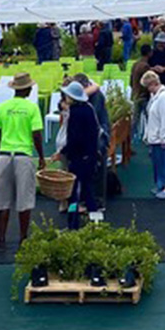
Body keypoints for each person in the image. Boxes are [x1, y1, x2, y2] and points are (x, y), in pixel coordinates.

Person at [0, 73, 45, 251]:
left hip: (5, 155)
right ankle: (23, 238)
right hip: (23, 155)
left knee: (2, 200)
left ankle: (1, 237)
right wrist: (42, 156)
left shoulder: (2, 107)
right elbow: (36, 134)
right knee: (24, 200)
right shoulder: (32, 108)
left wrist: (1, 148)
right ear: (28, 89)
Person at [59, 81, 101, 226]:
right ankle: (96, 220)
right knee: (88, 190)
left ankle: (73, 223)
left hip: (78, 158)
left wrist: (63, 151)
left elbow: (74, 138)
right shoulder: (89, 108)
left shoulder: (75, 113)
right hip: (90, 156)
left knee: (73, 194)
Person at [141, 71, 165, 200]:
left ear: (153, 84)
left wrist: (164, 138)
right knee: (158, 162)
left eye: (148, 87)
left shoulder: (164, 97)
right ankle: (161, 184)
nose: (147, 90)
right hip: (156, 136)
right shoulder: (155, 96)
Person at [130, 44, 153, 139]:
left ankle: (130, 138)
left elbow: (131, 80)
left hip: (135, 94)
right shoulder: (145, 66)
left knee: (135, 119)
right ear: (149, 53)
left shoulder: (135, 64)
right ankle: (151, 136)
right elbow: (146, 82)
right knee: (149, 117)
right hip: (143, 95)